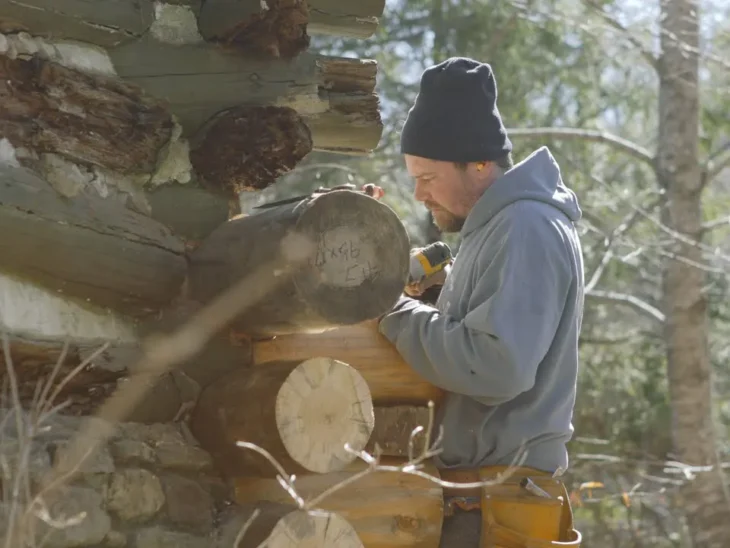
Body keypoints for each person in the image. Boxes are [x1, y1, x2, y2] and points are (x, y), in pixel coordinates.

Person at [377, 57, 585, 547]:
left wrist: (394, 311)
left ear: (478, 164)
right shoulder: (499, 227)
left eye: (427, 177)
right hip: (484, 503)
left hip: (495, 512)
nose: (419, 194)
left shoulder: (524, 227)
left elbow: (497, 367)